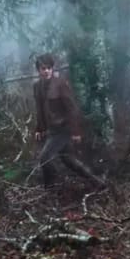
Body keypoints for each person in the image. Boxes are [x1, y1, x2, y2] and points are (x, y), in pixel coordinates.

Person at [33, 53, 105, 189]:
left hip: (63, 129)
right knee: (68, 160)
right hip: (52, 130)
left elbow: (72, 109)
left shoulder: (60, 84)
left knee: (44, 159)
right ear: (39, 70)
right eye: (43, 68)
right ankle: (98, 183)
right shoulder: (37, 87)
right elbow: (40, 109)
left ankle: (50, 190)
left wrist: (76, 131)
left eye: (49, 67)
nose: (47, 71)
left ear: (52, 68)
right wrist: (39, 128)